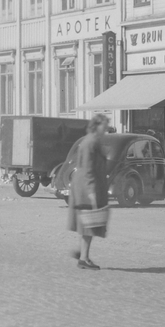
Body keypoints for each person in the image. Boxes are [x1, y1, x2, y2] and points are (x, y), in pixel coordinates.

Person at [67, 114, 111, 270]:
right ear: (96, 126)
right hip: (87, 188)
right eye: (104, 127)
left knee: (88, 223)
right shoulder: (90, 142)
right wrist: (92, 192)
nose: (105, 130)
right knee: (89, 222)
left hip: (87, 186)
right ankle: (84, 258)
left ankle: (83, 254)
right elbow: (87, 169)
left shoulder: (93, 141)